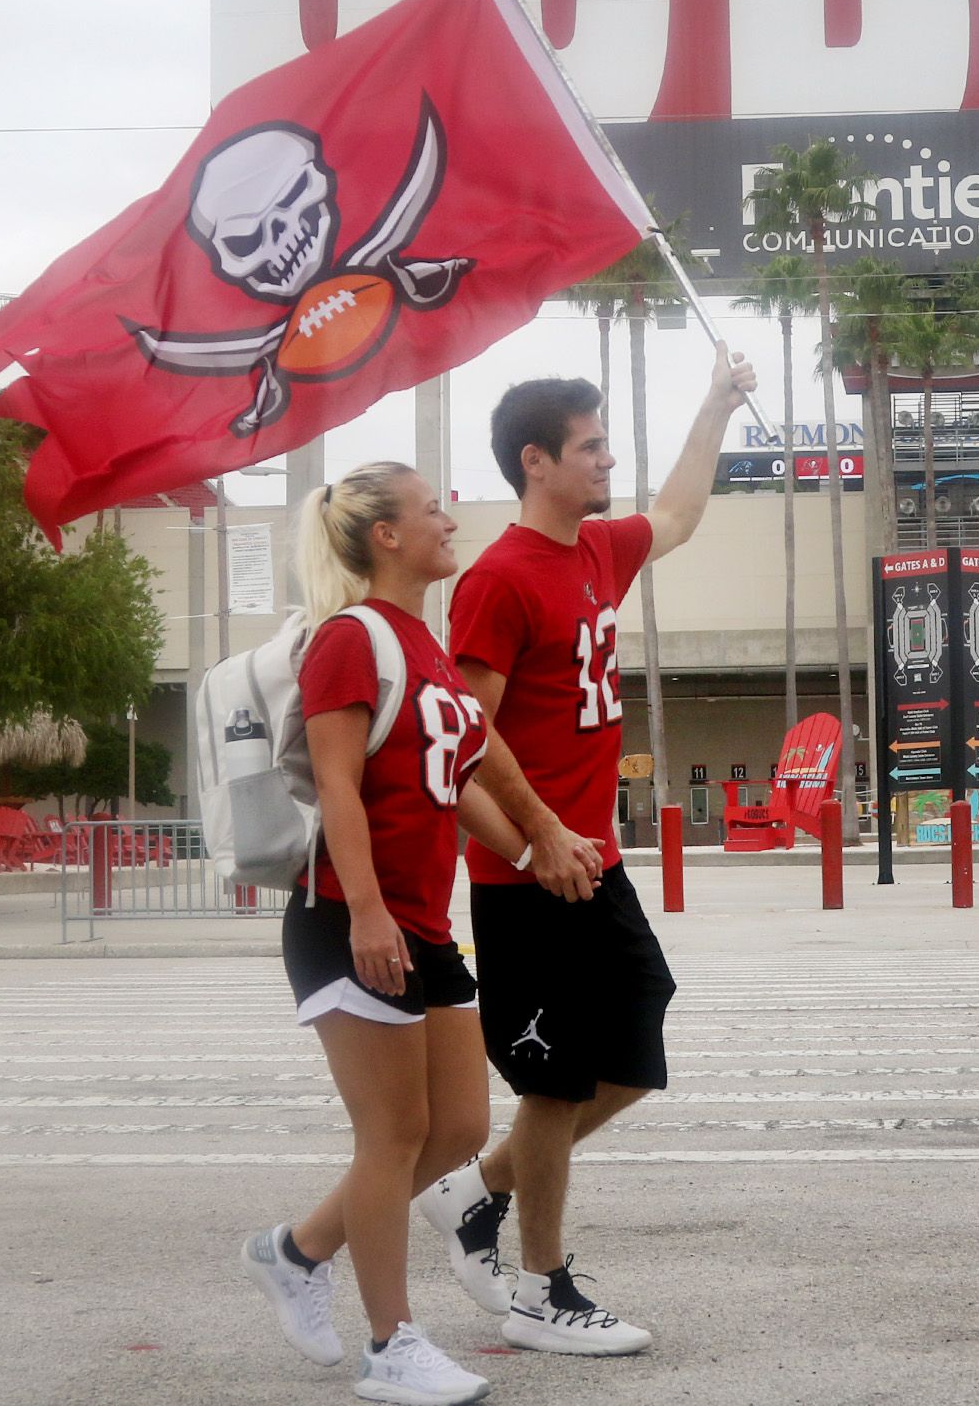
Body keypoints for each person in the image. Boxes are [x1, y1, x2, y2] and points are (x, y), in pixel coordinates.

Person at [412, 345, 754, 1357]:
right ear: (535, 462)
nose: (607, 462)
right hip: (529, 876)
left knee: (636, 1042)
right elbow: (464, 747)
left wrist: (717, 404)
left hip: (591, 859)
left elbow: (682, 511)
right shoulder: (499, 581)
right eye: (590, 448)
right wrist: (531, 848)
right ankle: (541, 1291)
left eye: (607, 446)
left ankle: (478, 1191)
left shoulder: (598, 552)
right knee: (554, 1086)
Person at [241, 461, 603, 1406]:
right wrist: (364, 910)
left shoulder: (426, 647)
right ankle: (390, 1345)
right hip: (348, 919)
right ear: (386, 537)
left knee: (458, 1130)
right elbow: (338, 787)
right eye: (431, 508)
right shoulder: (350, 640)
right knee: (393, 1135)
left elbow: (459, 785)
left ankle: (297, 1251)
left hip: (423, 925)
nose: (450, 518)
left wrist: (531, 856)